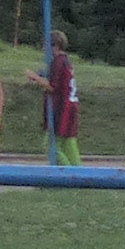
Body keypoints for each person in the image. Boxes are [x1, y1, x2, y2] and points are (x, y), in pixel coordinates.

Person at [25, 29, 82, 167]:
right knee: (69, 144)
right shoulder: (65, 60)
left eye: (46, 45)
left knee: (51, 146)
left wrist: (35, 77)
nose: (44, 49)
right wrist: (42, 75)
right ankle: (80, 172)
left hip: (62, 107)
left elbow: (52, 87)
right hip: (71, 105)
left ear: (55, 46)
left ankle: (68, 173)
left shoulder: (58, 61)